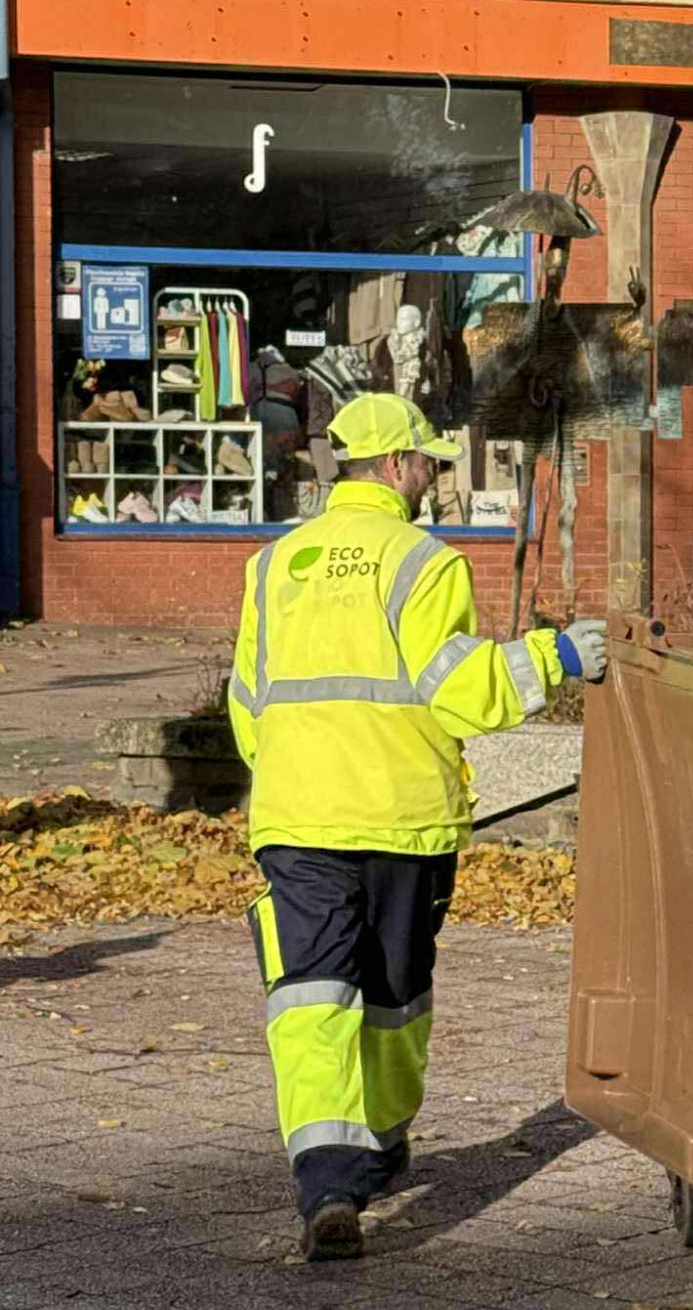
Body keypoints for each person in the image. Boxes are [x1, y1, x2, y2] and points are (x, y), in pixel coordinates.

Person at [229, 391, 606, 1263]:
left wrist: (293, 772)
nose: (432, 477)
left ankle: (326, 1177)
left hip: (297, 819)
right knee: (394, 998)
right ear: (396, 467)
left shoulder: (272, 566)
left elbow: (247, 706)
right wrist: (559, 655)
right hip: (400, 821)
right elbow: (462, 691)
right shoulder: (425, 563)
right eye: (428, 463)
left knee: (311, 997)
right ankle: (385, 1144)